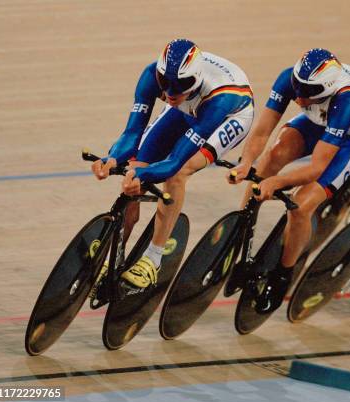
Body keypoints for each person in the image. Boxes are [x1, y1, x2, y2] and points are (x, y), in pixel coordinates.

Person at [90, 39, 254, 290]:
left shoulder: (222, 99)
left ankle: (153, 259)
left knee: (178, 174)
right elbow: (132, 133)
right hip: (188, 107)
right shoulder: (153, 77)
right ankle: (115, 255)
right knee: (135, 168)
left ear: (196, 80)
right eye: (165, 85)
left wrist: (142, 174)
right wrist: (112, 159)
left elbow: (174, 162)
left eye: (181, 86)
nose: (170, 93)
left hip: (229, 116)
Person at [227, 49, 350, 313]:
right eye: (297, 88)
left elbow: (317, 168)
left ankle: (284, 273)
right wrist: (246, 162)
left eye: (305, 93)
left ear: (326, 89)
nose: (297, 98)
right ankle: (241, 228)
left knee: (300, 206)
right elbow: (263, 131)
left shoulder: (348, 102)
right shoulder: (291, 80)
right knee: (273, 156)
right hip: (318, 119)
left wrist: (275, 183)